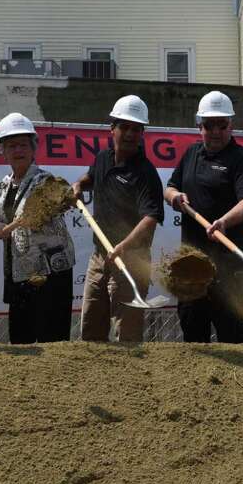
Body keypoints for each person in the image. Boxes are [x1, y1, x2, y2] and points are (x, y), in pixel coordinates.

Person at [164, 90, 243, 344]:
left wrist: (224, 222)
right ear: (200, 126)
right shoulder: (191, 155)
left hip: (231, 269)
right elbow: (169, 187)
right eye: (209, 125)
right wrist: (175, 196)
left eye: (222, 125)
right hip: (193, 268)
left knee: (235, 341)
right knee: (194, 340)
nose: (216, 131)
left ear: (231, 125)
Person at [73, 95, 165, 342]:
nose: (129, 134)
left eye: (136, 129)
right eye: (124, 127)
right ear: (112, 128)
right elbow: (92, 178)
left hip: (131, 261)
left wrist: (124, 246)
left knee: (127, 335)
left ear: (142, 133)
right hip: (99, 257)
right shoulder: (103, 158)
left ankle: (131, 379)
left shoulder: (146, 173)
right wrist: (79, 185)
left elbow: (151, 218)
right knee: (91, 328)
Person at [0, 113, 75, 344]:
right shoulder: (1, 187)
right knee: (21, 342)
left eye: (23, 144)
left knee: (52, 340)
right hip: (18, 276)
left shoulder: (46, 182)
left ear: (34, 148)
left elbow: (61, 200)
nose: (18, 150)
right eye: (11, 145)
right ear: (2, 151)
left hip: (50, 275)